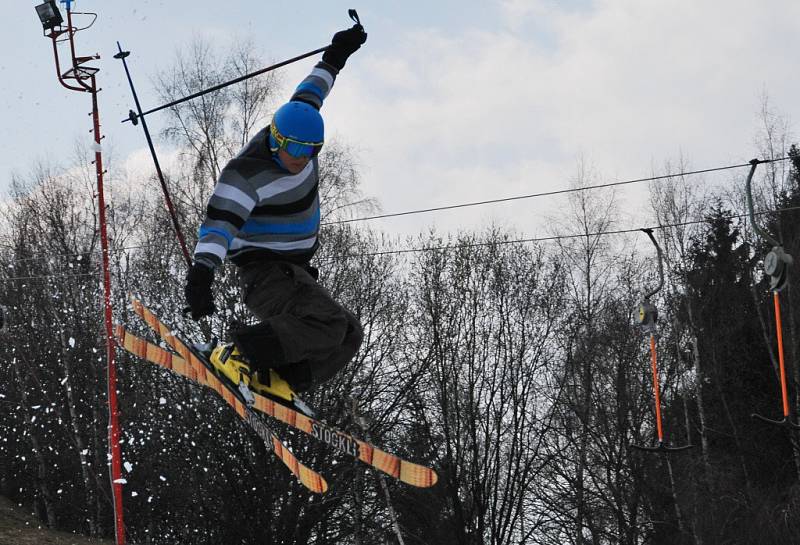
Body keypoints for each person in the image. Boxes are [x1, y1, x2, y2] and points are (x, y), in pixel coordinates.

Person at [184, 23, 367, 396]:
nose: (300, 159)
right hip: (265, 274)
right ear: (276, 139)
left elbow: (314, 89)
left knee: (348, 332)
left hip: (294, 272)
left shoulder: (300, 120)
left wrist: (337, 56)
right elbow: (218, 226)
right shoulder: (245, 175)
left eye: (310, 151)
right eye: (293, 150)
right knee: (327, 322)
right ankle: (239, 354)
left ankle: (283, 380)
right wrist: (201, 276)